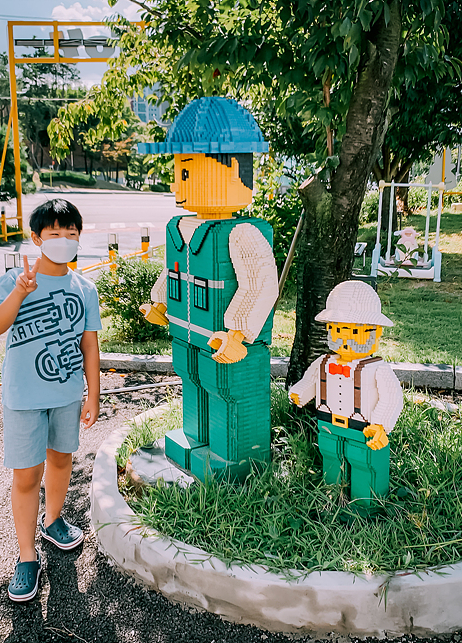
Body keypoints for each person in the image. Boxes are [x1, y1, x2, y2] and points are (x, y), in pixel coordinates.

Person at [137, 97, 278, 483]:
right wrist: (160, 302)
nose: (176, 183)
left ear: (234, 171)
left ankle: (230, 456)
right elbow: (175, 272)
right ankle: (195, 439)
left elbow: (262, 284)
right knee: (193, 382)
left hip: (227, 343)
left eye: (187, 172)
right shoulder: (181, 229)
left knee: (227, 395)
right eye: (179, 171)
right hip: (188, 335)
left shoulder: (242, 234)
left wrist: (239, 331)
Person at [0, 199, 101, 602]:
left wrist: (94, 394)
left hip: (66, 394)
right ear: (36, 238)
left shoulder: (85, 288)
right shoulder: (15, 281)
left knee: (61, 459)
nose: (64, 240)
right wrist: (20, 293)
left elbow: (90, 344)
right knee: (25, 476)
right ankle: (25, 556)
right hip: (23, 397)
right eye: (55, 234)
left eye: (71, 234)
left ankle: (53, 521)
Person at [288, 280, 403, 508]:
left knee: (364, 463)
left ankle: (365, 505)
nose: (345, 339)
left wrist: (380, 425)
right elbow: (311, 380)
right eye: (338, 330)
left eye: (354, 332)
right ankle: (332, 497)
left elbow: (392, 397)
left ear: (375, 332)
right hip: (329, 423)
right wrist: (300, 392)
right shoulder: (324, 362)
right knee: (332, 457)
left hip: (363, 429)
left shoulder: (377, 369)